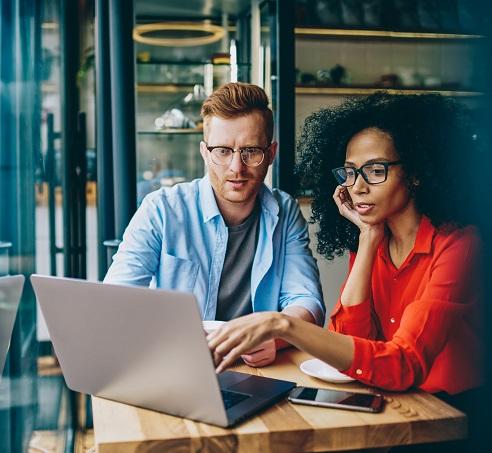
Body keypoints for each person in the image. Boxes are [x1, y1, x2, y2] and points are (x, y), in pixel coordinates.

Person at [207, 93, 483, 449]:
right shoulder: (374, 240)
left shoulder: (460, 246)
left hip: (454, 418)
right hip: (394, 404)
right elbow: (353, 340)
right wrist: (367, 238)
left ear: (415, 173)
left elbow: (403, 363)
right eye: (351, 172)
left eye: (375, 170)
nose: (358, 186)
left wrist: (282, 324)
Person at [105, 82, 324, 368]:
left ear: (270, 154)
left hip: (257, 371)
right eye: (222, 151)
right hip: (176, 363)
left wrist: (275, 338)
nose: (237, 167)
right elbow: (116, 301)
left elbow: (307, 301)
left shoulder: (285, 211)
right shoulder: (161, 209)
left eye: (251, 151)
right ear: (205, 153)